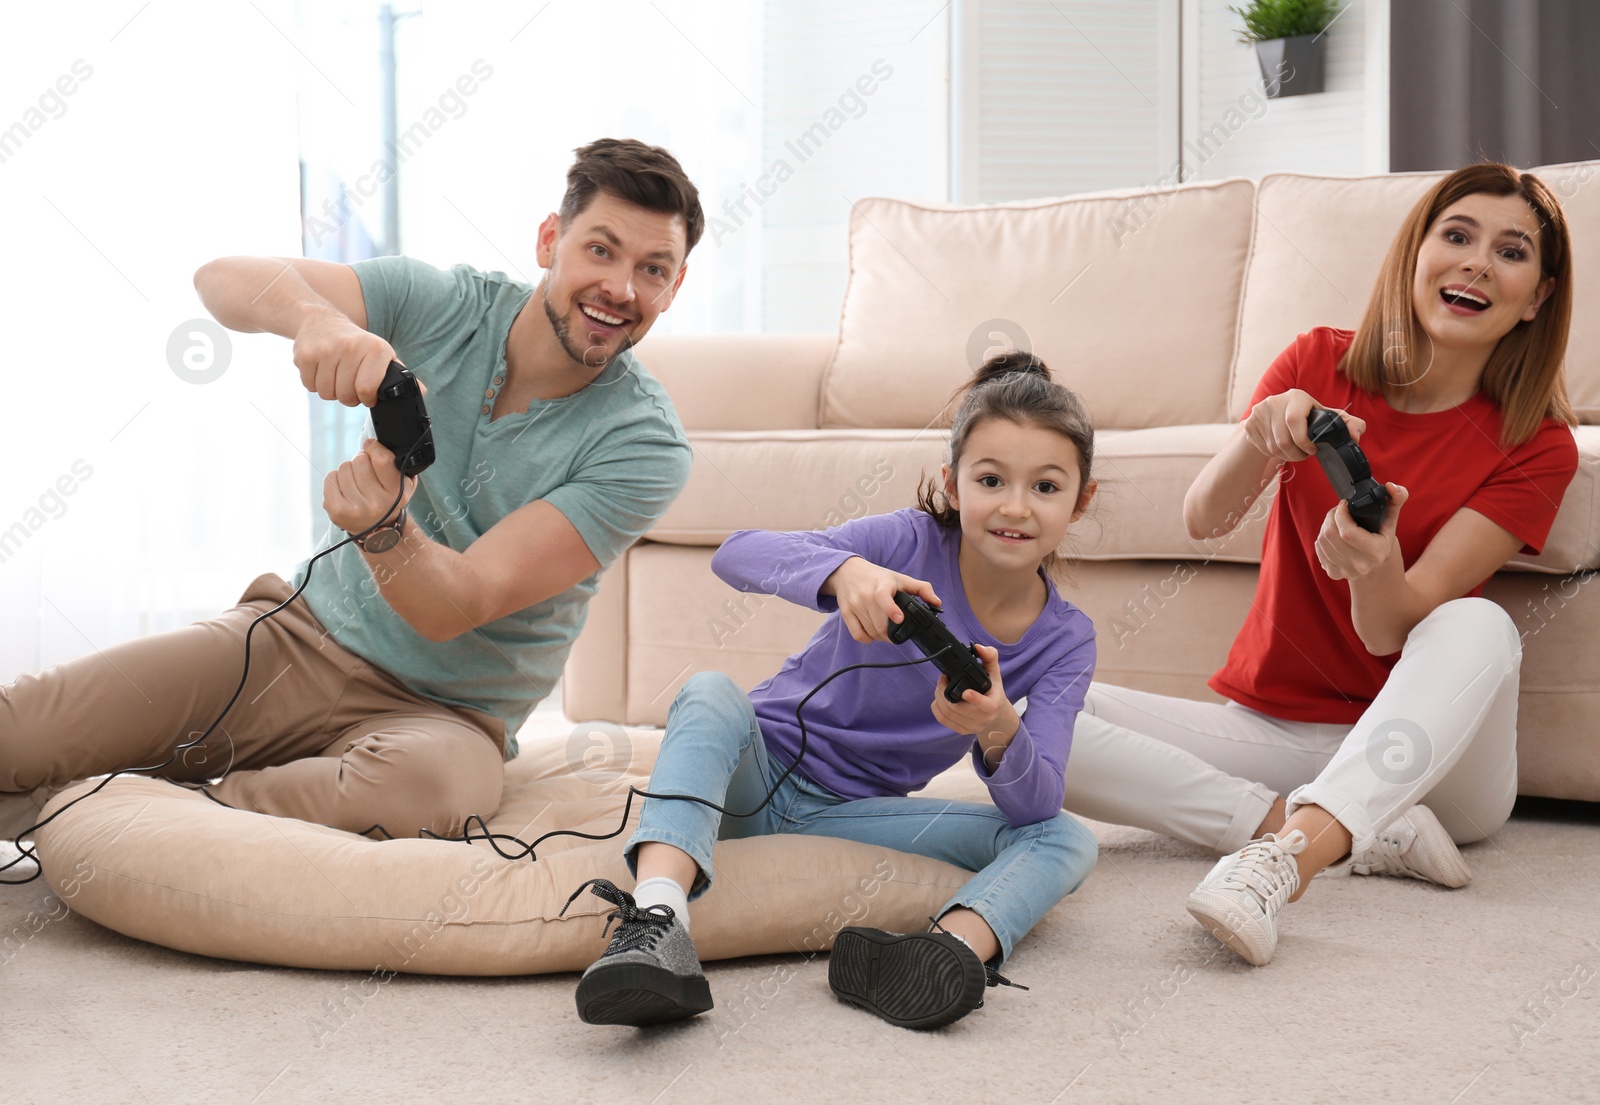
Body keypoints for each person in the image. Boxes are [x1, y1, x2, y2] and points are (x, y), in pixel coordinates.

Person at [0, 138, 699, 844]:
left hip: (444, 717)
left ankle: (135, 808)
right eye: (602, 251)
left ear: (674, 288)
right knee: (18, 734)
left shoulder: (645, 445)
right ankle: (121, 802)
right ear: (551, 239)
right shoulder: (450, 304)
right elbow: (221, 279)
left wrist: (384, 530)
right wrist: (320, 320)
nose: (623, 289)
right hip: (292, 639)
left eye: (653, 270)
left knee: (425, 793)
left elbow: (459, 604)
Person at [1061, 162, 1578, 966]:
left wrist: (1373, 565)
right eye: (1457, 235)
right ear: (1416, 253)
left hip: (1431, 761)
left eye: (1511, 252)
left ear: (1538, 296)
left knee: (1477, 621)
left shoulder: (1536, 443)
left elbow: (1387, 631)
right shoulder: (1317, 362)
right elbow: (1204, 517)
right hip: (1274, 730)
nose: (1477, 262)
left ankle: (1284, 861)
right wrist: (1262, 436)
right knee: (1021, 711)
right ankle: (1340, 829)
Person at [563, 351, 1101, 1030]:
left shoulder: (1066, 639)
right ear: (954, 484)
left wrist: (997, 728)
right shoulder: (904, 540)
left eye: (1046, 487)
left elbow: (1037, 798)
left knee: (1066, 838)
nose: (1016, 507)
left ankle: (943, 953)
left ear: (1081, 498)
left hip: (849, 815)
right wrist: (845, 571)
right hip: (750, 774)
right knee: (708, 690)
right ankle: (658, 920)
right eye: (991, 479)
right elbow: (737, 553)